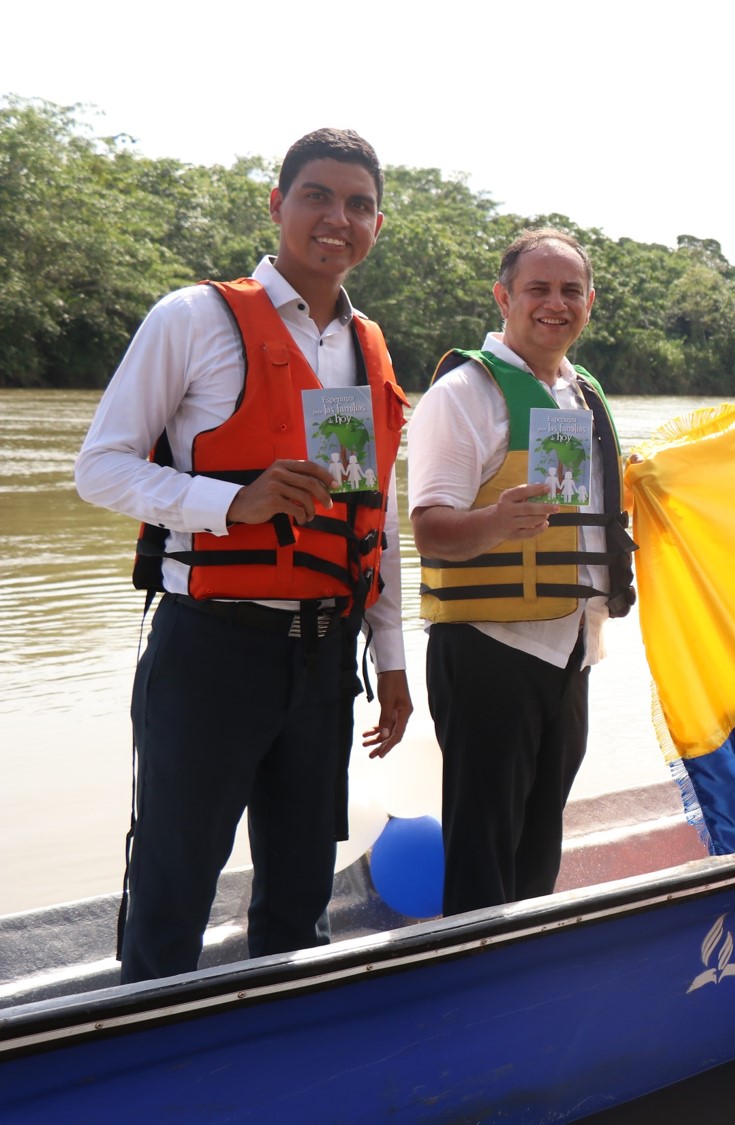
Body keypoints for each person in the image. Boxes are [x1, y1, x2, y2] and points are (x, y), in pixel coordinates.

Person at [73, 128, 413, 983]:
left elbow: (374, 521)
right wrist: (232, 503)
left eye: (359, 204)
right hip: (212, 647)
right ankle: (149, 1047)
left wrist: (392, 660)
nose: (338, 218)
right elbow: (100, 467)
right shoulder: (192, 318)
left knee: (301, 899)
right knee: (174, 888)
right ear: (276, 204)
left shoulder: (367, 345)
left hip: (327, 655)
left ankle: (289, 1045)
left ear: (376, 224)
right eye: (317, 196)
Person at [408, 229, 637, 916]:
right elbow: (430, 531)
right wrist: (496, 522)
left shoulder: (582, 394)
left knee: (539, 849)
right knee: (482, 854)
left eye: (571, 290)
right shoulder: (462, 394)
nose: (555, 303)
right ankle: (470, 972)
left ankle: (526, 965)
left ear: (590, 303)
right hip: (490, 649)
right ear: (504, 297)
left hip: (571, 650)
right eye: (538, 288)